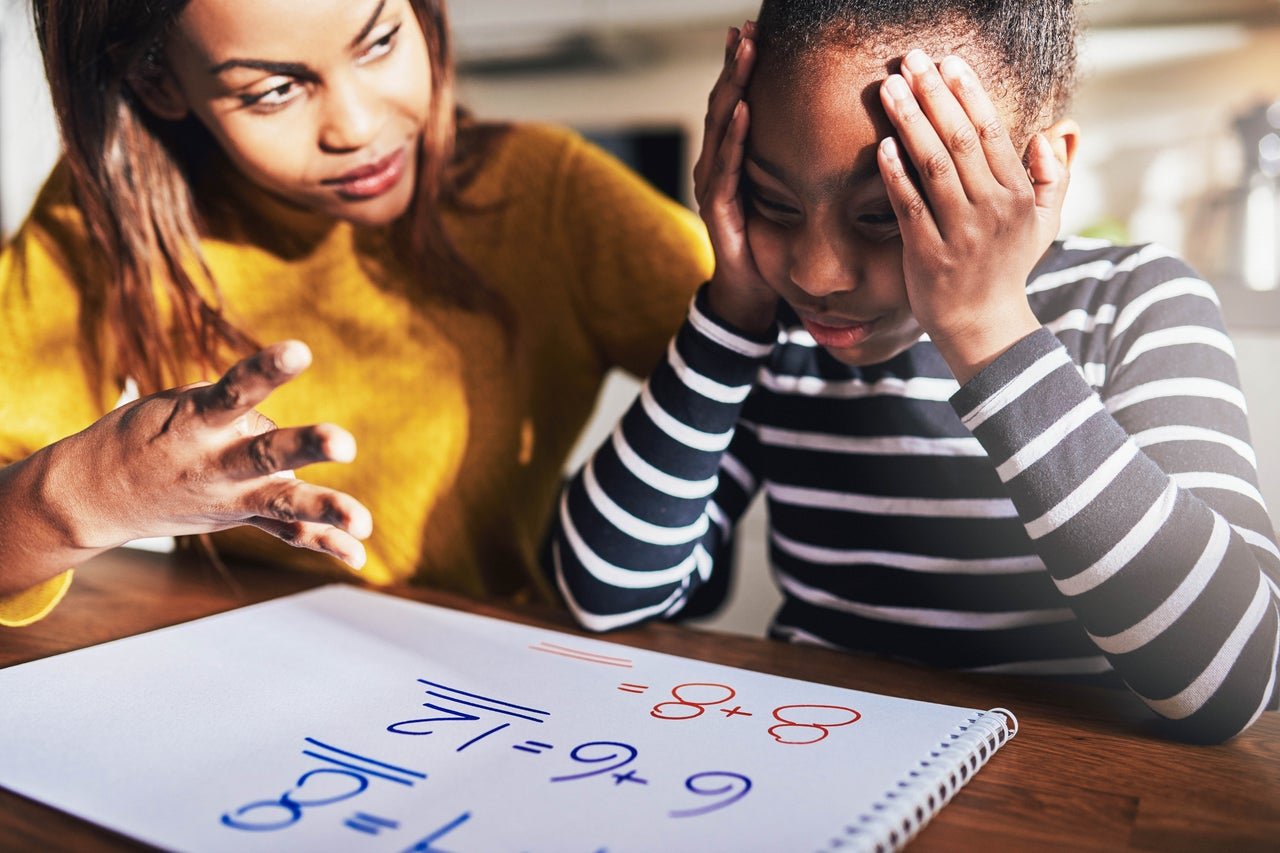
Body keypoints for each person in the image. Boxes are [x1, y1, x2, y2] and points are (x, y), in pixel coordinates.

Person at [552, 0, 1280, 743]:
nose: (818, 272)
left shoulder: (1134, 304)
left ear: (1040, 170)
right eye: (774, 203)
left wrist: (987, 327)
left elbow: (1232, 678)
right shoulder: (770, 332)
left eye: (886, 215)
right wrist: (730, 313)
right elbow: (602, 591)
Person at [0, 0, 712, 626]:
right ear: (157, 81)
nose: (358, 126)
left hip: (500, 685)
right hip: (248, 674)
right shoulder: (108, 221)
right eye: (274, 90)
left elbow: (779, 353)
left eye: (379, 42)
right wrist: (101, 491)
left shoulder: (547, 195)